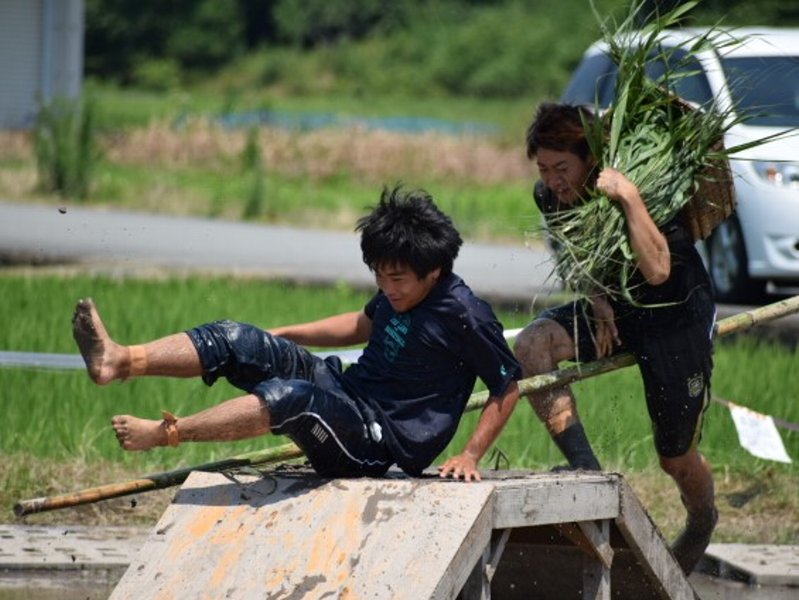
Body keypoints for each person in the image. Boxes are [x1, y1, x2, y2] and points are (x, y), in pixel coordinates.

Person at [72, 185, 522, 482]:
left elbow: (507, 385)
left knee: (290, 397)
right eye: (380, 277)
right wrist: (282, 334)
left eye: (398, 279)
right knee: (235, 337)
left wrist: (471, 455)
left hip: (376, 438)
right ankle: (119, 361)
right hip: (348, 391)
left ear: (434, 270)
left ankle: (166, 433)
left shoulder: (467, 313)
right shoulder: (396, 290)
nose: (388, 288)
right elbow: (363, 323)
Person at [514, 103, 717, 574]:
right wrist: (598, 298)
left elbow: (659, 270)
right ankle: (586, 470)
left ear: (591, 160)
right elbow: (573, 256)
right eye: (544, 169)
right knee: (531, 347)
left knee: (675, 459)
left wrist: (628, 197)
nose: (553, 180)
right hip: (616, 309)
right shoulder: (549, 197)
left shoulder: (639, 188)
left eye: (562, 168)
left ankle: (703, 516)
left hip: (674, 317)